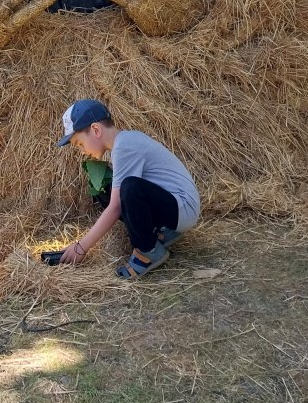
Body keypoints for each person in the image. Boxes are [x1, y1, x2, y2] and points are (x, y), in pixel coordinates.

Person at [56, 98, 201, 279]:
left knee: (129, 188)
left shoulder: (124, 147)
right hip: (177, 207)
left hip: (183, 208)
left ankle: (147, 251)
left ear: (95, 130)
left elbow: (117, 207)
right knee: (108, 189)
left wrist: (81, 247)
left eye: (79, 144)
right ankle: (162, 232)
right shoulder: (125, 142)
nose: (82, 151)